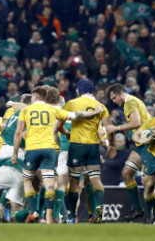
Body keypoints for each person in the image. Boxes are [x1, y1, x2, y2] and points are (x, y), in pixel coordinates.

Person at [12, 86, 102, 224]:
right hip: (51, 150)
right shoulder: (54, 110)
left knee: (27, 180)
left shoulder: (26, 110)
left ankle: (34, 211)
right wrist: (93, 112)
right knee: (49, 183)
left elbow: (18, 132)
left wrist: (15, 153)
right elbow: (74, 115)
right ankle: (49, 217)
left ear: (35, 97)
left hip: (32, 149)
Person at [62, 78, 110, 223]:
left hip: (77, 145)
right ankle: (99, 208)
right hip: (93, 146)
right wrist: (107, 141)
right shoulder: (100, 105)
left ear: (78, 90)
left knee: (74, 183)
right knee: (95, 180)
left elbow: (59, 119)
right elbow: (107, 127)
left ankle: (71, 216)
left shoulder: (72, 103)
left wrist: (65, 133)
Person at [105, 83, 152, 221]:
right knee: (127, 173)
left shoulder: (129, 102)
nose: (114, 101)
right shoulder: (134, 101)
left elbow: (136, 122)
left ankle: (153, 214)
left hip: (148, 144)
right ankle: (138, 209)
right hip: (141, 143)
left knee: (146, 180)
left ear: (120, 93)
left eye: (114, 98)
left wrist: (116, 128)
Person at [0, 94, 31, 160]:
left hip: (4, 148)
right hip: (17, 150)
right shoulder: (30, 113)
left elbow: (2, 126)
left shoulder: (15, 113)